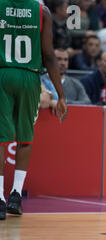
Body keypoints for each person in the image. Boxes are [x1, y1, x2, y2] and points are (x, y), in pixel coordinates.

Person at [0, 0, 67, 220]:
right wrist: (60, 94)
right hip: (29, 77)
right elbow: (48, 54)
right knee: (25, 137)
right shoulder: (42, 11)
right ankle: (16, 195)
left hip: (2, 73)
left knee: (1, 139)